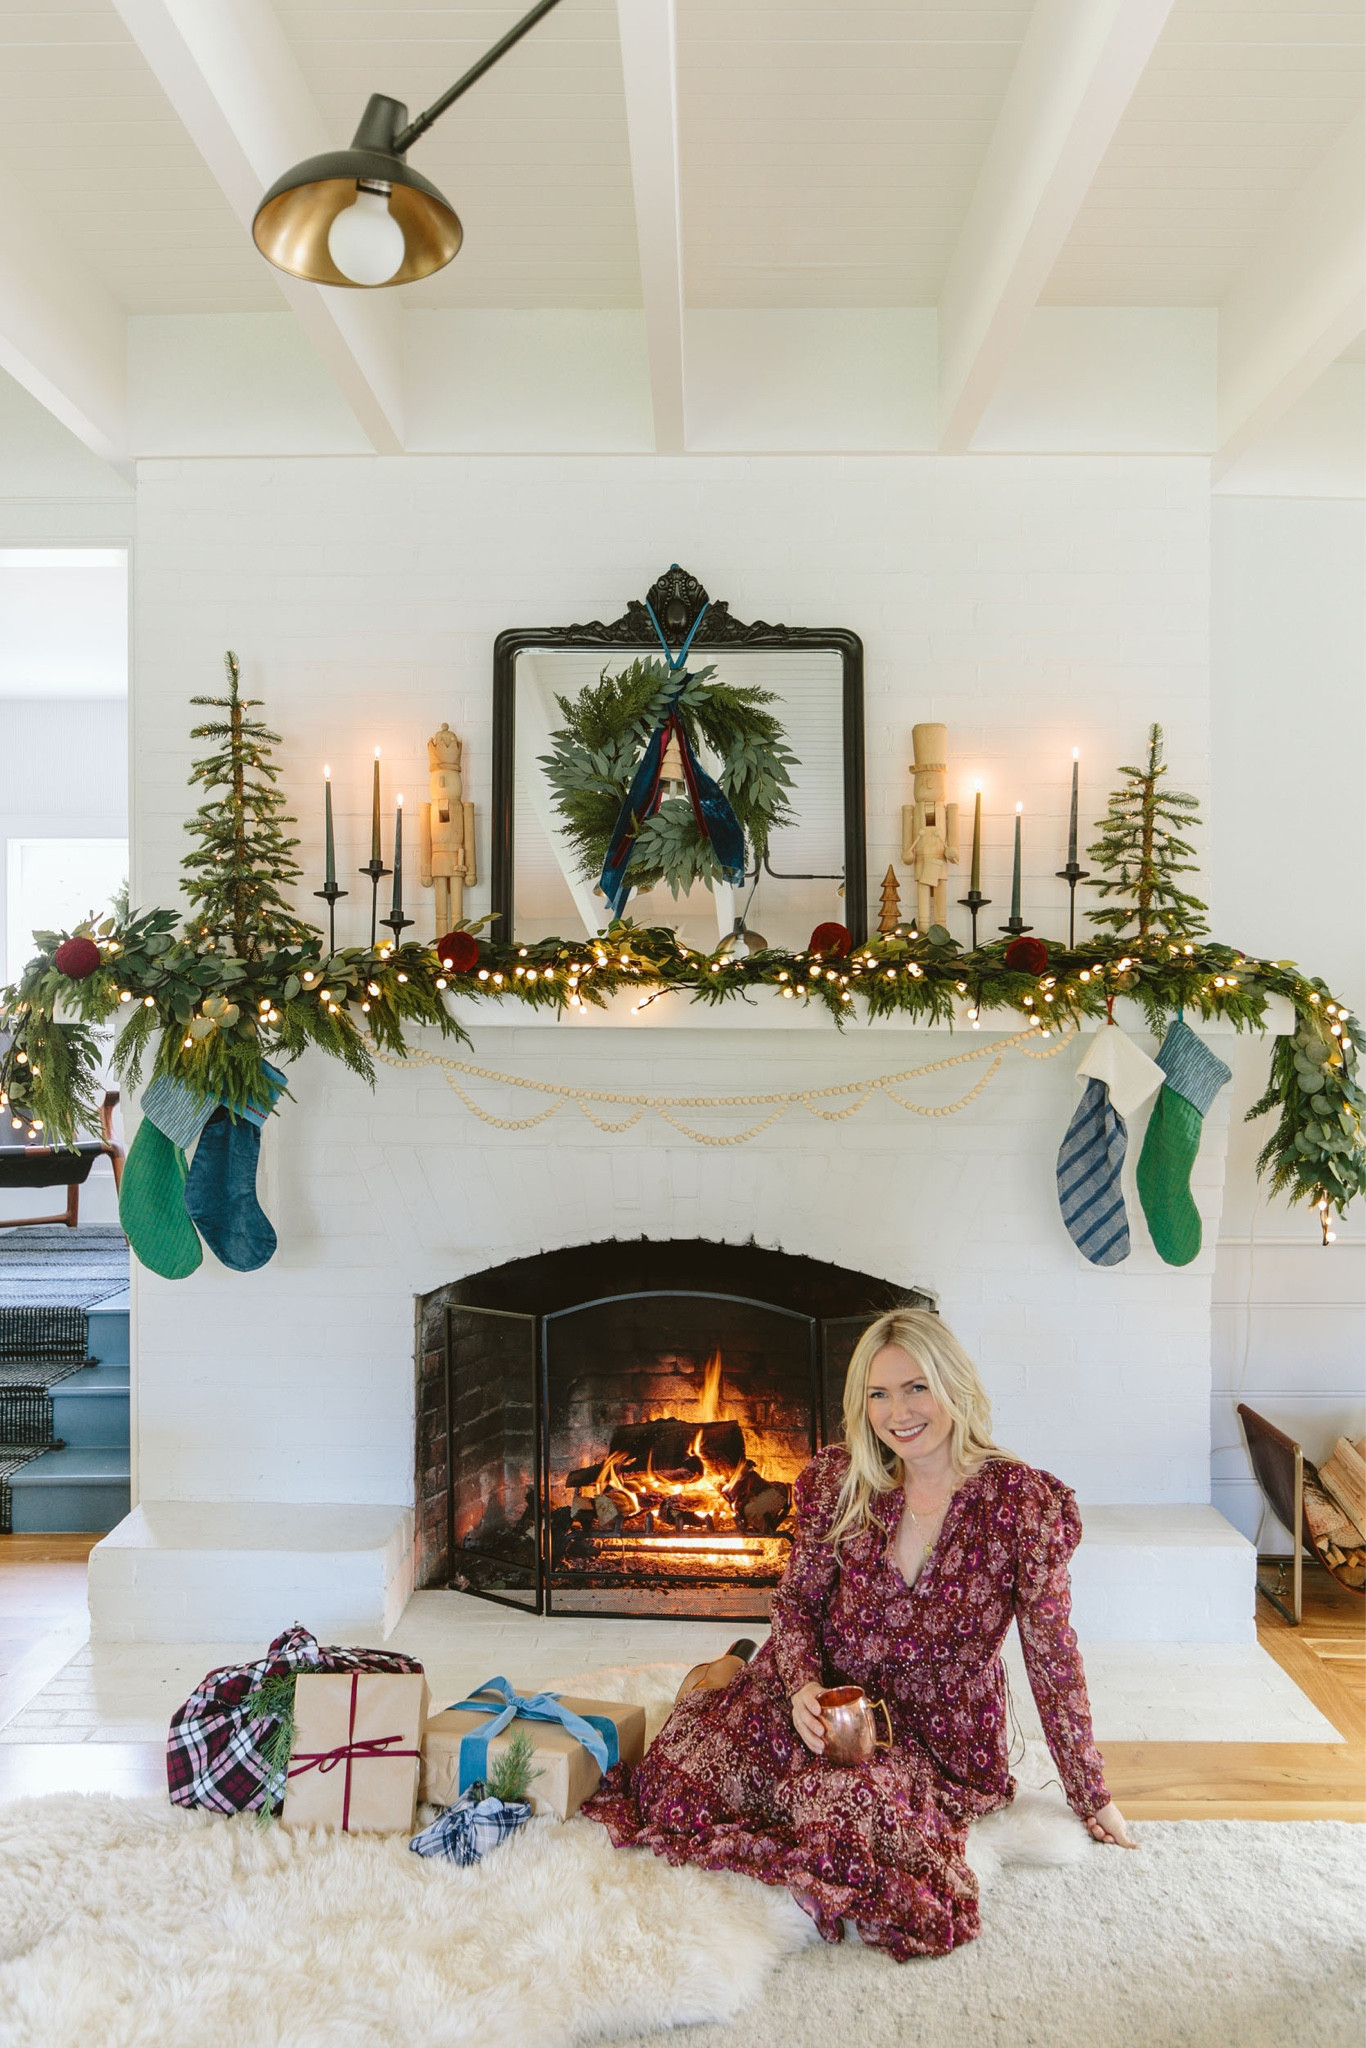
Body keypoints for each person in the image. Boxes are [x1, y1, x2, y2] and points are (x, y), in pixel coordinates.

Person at [582, 1306, 1136, 1961]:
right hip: (829, 1697)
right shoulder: (839, 1481)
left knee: (853, 1810)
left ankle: (781, 1744)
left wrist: (1090, 1792)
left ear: (953, 1385)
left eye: (915, 1387)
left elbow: (1053, 1659)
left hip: (934, 1732)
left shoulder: (1021, 1503)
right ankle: (726, 1685)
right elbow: (794, 1606)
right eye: (878, 1394)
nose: (897, 1411)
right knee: (685, 1766)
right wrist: (800, 1690)